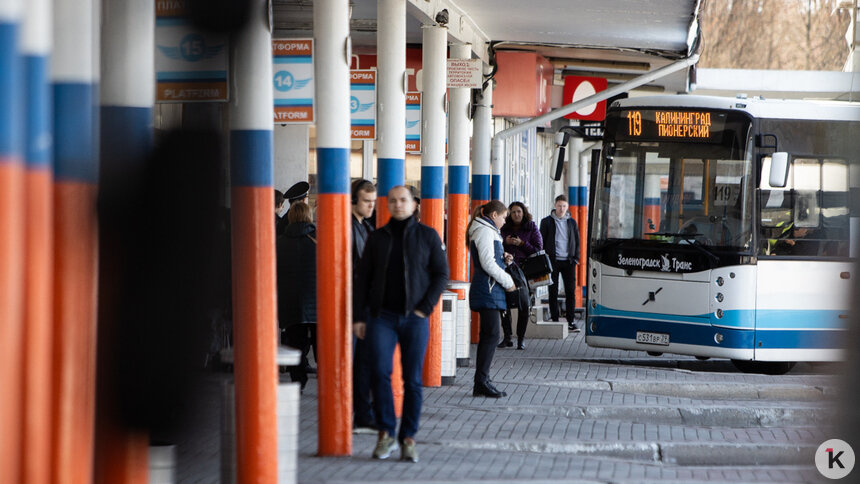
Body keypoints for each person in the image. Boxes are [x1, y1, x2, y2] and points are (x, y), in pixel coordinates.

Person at [353, 186, 449, 463]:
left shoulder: (428, 236)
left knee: (413, 380)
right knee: (380, 373)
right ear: (387, 205)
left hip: (414, 318)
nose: (397, 205)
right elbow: (363, 280)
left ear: (413, 204)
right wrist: (360, 317)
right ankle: (386, 433)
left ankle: (408, 438)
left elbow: (441, 274)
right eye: (392, 201)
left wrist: (424, 308)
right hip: (381, 317)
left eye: (403, 200)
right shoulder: (377, 238)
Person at [467, 200, 517, 399]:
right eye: (504, 217)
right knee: (492, 335)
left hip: (489, 288)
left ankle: (483, 380)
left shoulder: (487, 230)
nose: (505, 221)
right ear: (494, 215)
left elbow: (489, 258)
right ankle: (481, 382)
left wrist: (503, 257)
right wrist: (508, 281)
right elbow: (487, 263)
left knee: (490, 334)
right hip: (488, 288)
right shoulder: (485, 231)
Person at [276, 202, 317, 390]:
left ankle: (298, 382)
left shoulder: (279, 242)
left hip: (289, 301)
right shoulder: (319, 239)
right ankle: (326, 382)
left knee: (295, 343)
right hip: (317, 302)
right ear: (309, 216)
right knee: (322, 345)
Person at [350, 178, 377, 432]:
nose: (371, 206)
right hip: (355, 305)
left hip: (364, 303)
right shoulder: (351, 229)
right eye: (366, 202)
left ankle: (364, 412)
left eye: (373, 201)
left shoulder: (364, 227)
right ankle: (361, 413)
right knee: (358, 362)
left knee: (364, 363)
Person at [500, 201, 543, 349]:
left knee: (524, 305)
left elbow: (538, 250)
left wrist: (521, 244)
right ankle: (507, 337)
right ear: (509, 214)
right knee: (504, 303)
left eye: (519, 211)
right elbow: (496, 246)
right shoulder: (504, 229)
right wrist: (505, 242)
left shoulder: (531, 227)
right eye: (513, 212)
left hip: (525, 272)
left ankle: (521, 339)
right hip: (507, 270)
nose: (516, 214)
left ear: (524, 212)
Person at [539, 195, 581, 332]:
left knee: (570, 291)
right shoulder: (546, 222)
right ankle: (555, 318)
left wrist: (576, 258)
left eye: (564, 206)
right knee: (553, 290)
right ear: (555, 205)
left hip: (569, 262)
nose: (561, 209)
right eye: (559, 206)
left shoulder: (572, 223)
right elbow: (541, 241)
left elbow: (577, 241)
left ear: (567, 207)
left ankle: (571, 320)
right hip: (553, 261)